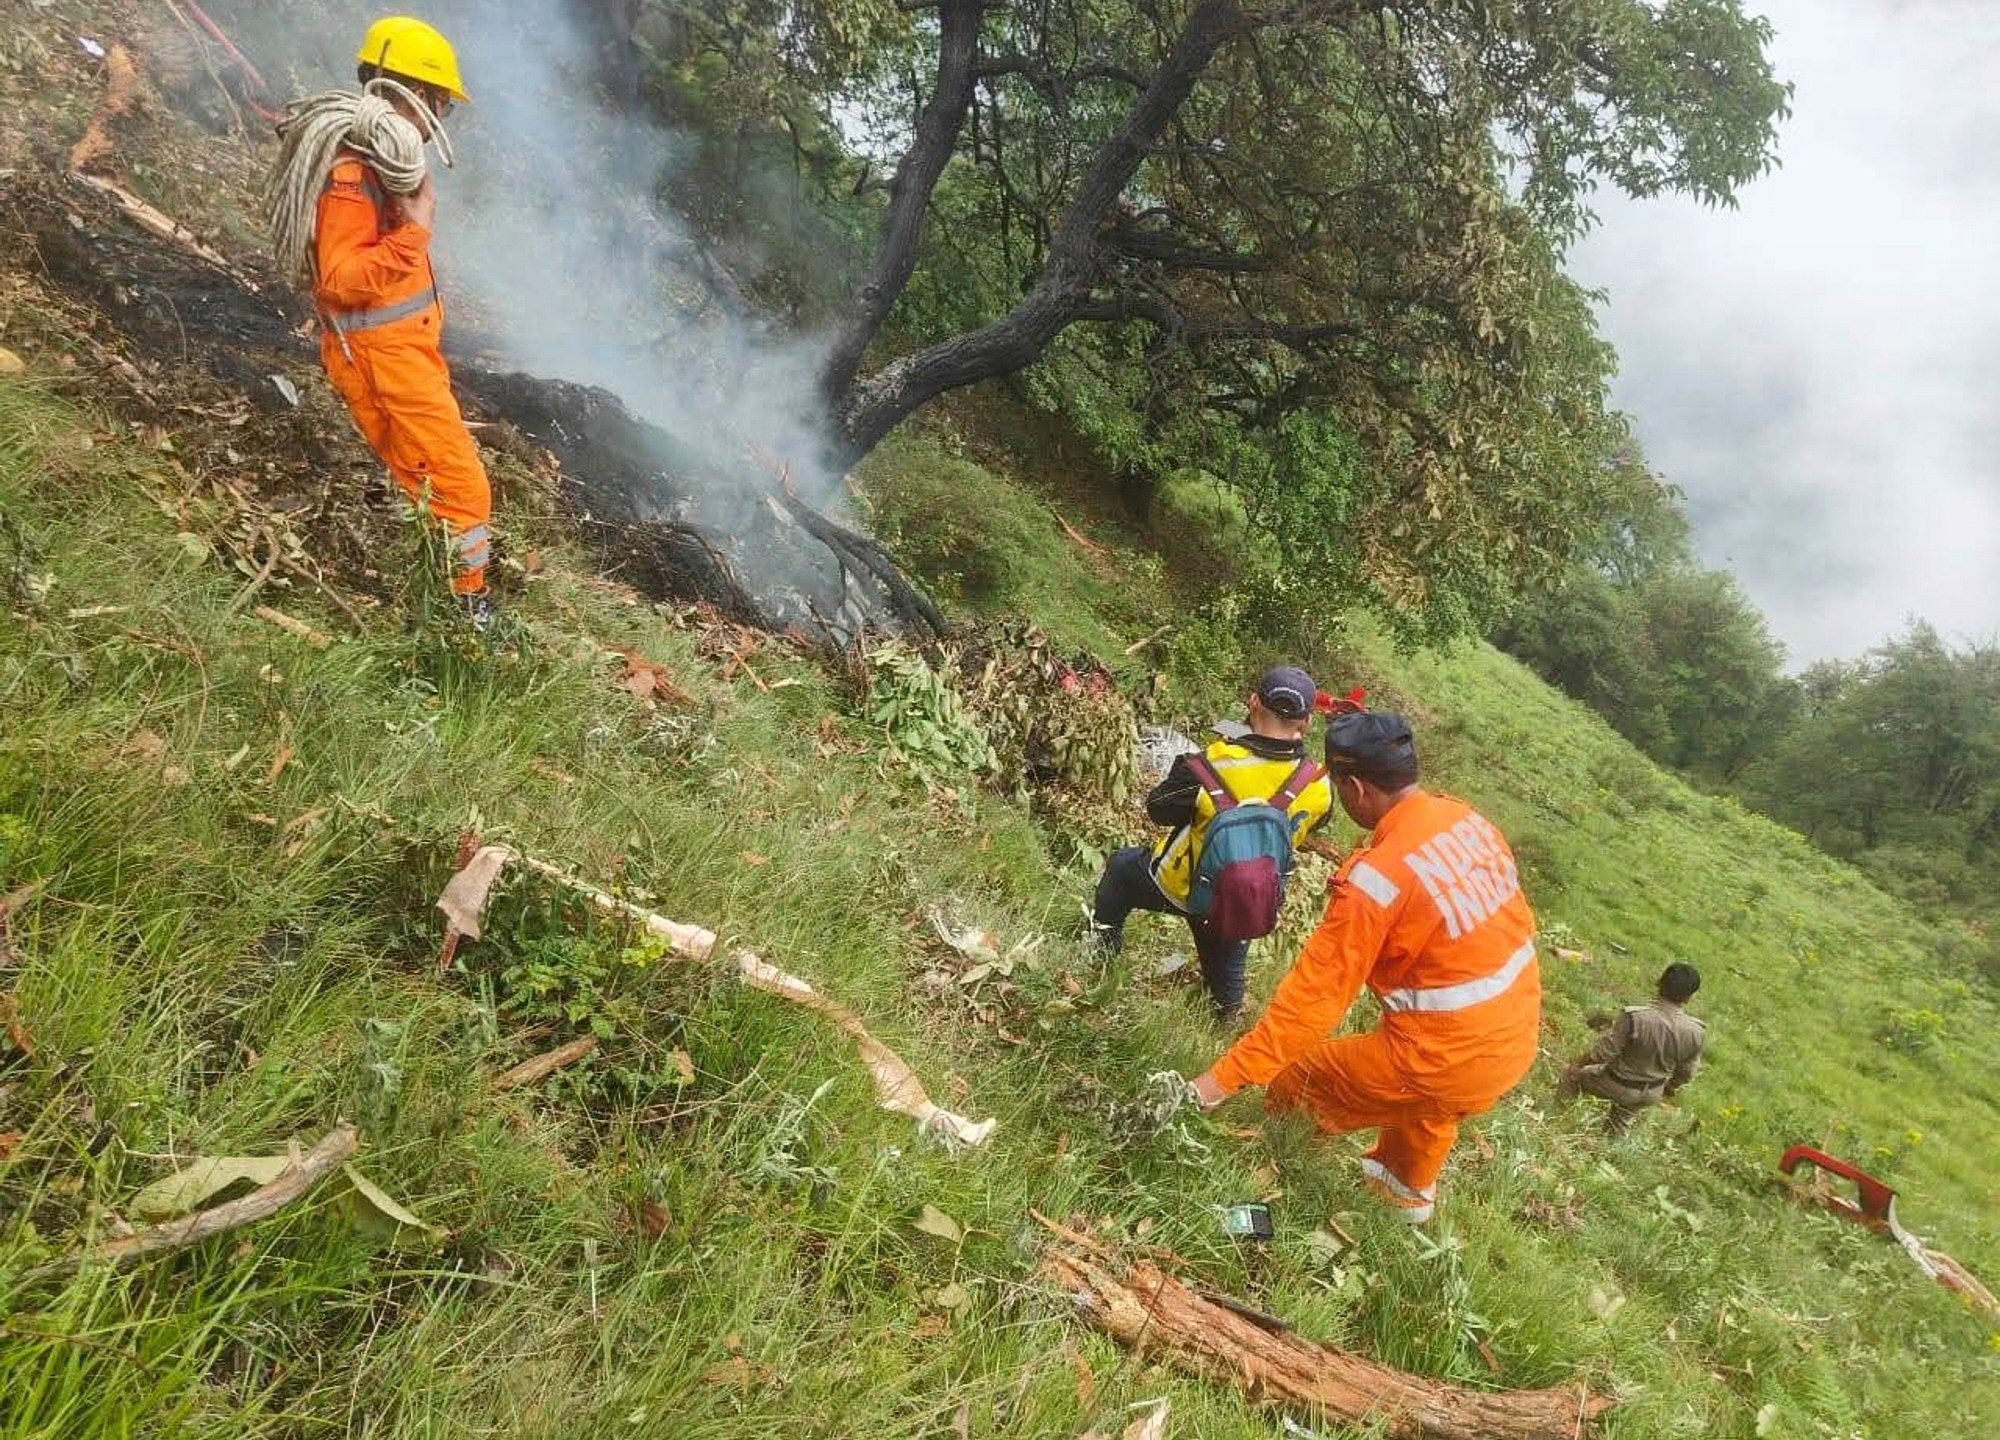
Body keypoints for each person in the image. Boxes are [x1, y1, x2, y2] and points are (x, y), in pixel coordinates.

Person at [1188, 712, 1541, 1224]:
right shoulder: (1467, 821)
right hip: (1512, 1041)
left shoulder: (1376, 883)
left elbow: (1311, 1003)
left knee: (1301, 1083)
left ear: (1354, 787)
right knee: (1425, 1109)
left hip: (1443, 1057)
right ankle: (1401, 1211)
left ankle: (1262, 1174)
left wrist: (1219, 1082)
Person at [311, 17, 495, 626]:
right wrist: (415, 231)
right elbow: (339, 281)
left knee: (424, 481)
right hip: (381, 359)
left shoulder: (377, 168)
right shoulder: (351, 177)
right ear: (406, 93)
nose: (440, 116)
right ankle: (465, 614)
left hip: (400, 353)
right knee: (463, 488)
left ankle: (434, 592)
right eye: (439, 102)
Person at [1093, 667, 1335, 1019]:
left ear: (1253, 702)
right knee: (1226, 991)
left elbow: (1158, 809)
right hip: (1242, 901)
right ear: (1308, 722)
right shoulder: (1318, 783)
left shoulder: (1210, 762)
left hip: (1177, 884)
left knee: (1120, 870)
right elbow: (1313, 824)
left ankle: (1101, 952)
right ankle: (1225, 1018)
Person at [1558, 964, 1706, 1134]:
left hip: (1617, 1083)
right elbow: (1687, 1072)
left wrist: (1577, 1066)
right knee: (1621, 1121)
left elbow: (1602, 1053)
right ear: (1689, 997)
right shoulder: (1696, 1032)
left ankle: (1558, 1124)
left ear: (1659, 983)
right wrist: (1669, 1087)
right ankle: (1610, 1149)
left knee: (1569, 1077)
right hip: (1652, 1091)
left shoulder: (1635, 1017)